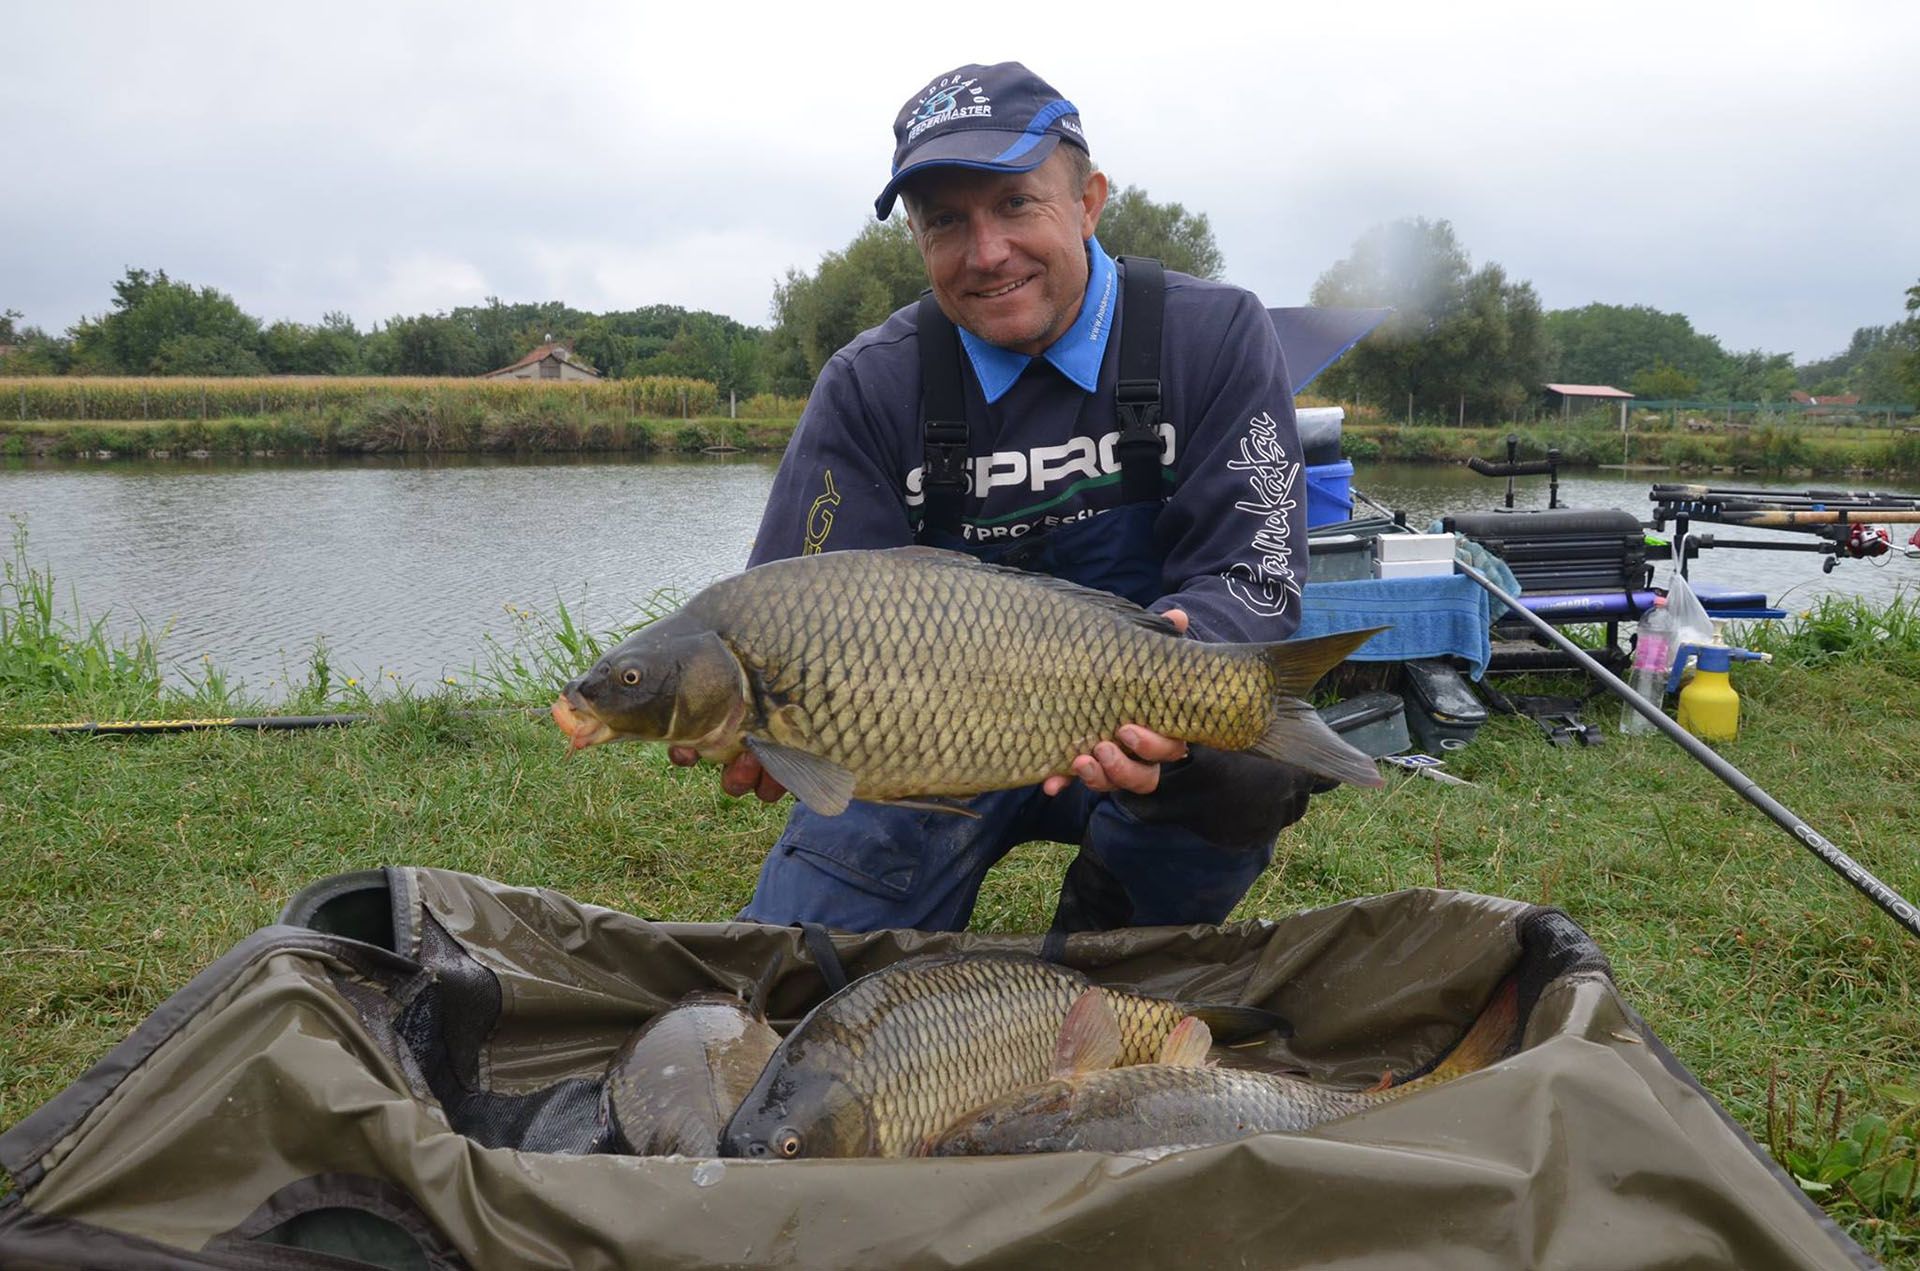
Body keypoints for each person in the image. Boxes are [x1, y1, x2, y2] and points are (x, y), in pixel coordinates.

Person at [676, 61, 1318, 934]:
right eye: (947, 221)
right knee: (798, 979)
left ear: (1088, 200)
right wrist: (773, 730)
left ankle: (1110, 950)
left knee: (1243, 755)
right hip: (921, 745)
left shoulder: (1212, 337)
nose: (986, 253)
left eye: (1017, 204)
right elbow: (792, 613)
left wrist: (1184, 651)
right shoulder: (870, 386)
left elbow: (1253, 572)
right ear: (917, 238)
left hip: (1126, 722)